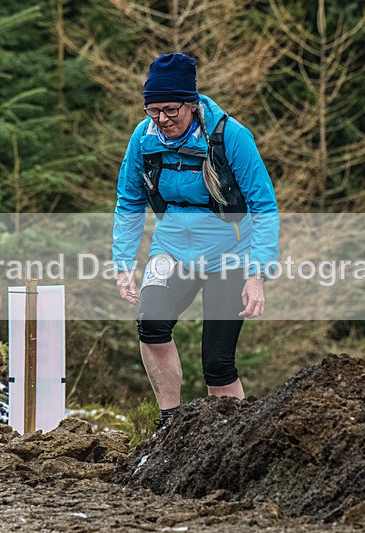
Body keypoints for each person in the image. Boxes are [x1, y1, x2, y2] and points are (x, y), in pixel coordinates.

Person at [112, 52, 279, 428]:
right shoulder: (143, 138)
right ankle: (169, 424)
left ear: (191, 104)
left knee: (217, 363)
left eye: (171, 109)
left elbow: (264, 206)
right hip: (171, 249)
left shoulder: (230, 136)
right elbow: (129, 201)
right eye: (153, 110)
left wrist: (257, 274)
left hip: (230, 254)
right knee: (151, 325)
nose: (162, 119)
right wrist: (122, 263)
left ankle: (231, 437)